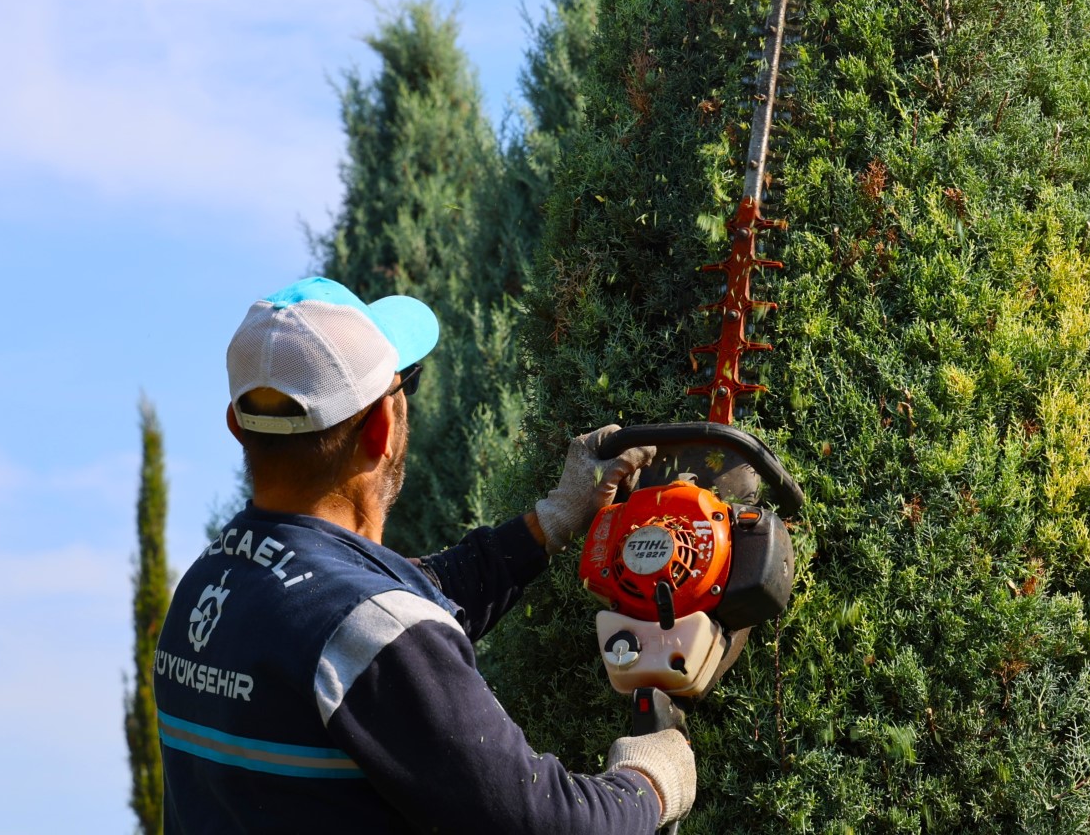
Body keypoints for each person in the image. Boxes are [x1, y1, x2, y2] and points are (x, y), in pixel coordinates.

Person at [155, 276, 695, 833]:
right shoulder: (372, 636)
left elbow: (394, 600)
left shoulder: (209, 586)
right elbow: (544, 822)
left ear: (238, 428)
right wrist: (649, 784)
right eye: (402, 386)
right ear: (383, 428)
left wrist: (549, 522)